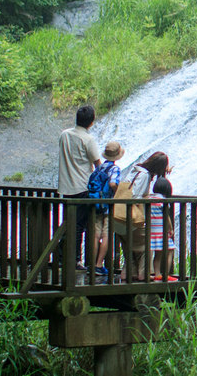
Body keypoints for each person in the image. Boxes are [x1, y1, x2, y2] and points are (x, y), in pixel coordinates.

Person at [56, 105, 101, 270]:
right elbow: (98, 164)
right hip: (83, 186)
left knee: (69, 223)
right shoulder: (88, 139)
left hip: (66, 186)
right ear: (91, 123)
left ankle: (63, 257)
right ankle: (73, 261)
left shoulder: (64, 135)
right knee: (78, 226)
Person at [115, 151, 172, 281]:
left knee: (130, 248)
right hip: (130, 217)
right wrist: (146, 200)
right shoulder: (144, 175)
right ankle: (144, 275)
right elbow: (135, 195)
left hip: (118, 216)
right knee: (147, 244)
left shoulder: (136, 170)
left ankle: (128, 273)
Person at [88, 141, 124, 276]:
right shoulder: (115, 169)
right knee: (107, 234)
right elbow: (113, 183)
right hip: (108, 206)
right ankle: (99, 265)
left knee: (96, 235)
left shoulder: (99, 167)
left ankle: (91, 265)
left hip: (96, 205)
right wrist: (118, 192)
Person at [149, 176, 177, 282]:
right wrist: (170, 228)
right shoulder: (162, 201)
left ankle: (157, 274)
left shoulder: (150, 198)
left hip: (151, 231)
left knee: (158, 253)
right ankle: (165, 274)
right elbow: (166, 216)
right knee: (170, 250)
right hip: (161, 231)